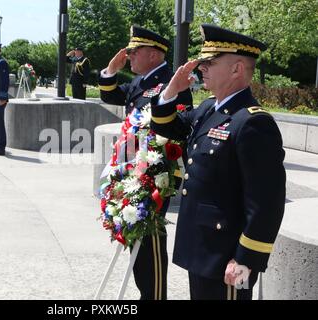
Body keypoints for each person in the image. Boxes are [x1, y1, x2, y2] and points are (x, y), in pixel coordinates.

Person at [150, 24, 286, 300]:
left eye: (210, 62)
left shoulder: (253, 122)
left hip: (227, 258)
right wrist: (171, 90)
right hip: (201, 249)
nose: (201, 68)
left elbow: (266, 203)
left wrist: (245, 260)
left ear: (236, 69)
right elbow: (166, 126)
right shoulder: (208, 109)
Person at [98, 25, 193, 300]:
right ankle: (146, 294)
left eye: (134, 51)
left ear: (153, 54)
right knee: (136, 239)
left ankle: (155, 296)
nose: (129, 56)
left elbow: (175, 130)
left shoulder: (169, 82)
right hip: (133, 171)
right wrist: (111, 71)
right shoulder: (141, 82)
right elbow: (111, 94)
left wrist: (153, 174)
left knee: (149, 242)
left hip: (154, 174)